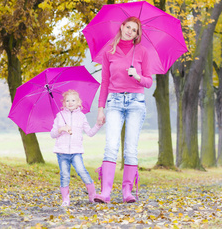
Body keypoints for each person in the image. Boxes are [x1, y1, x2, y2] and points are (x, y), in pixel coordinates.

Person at [94, 16, 153, 204]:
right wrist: (100, 109)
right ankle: (105, 192)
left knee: (130, 149)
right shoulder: (109, 52)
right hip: (114, 101)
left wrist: (137, 76)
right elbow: (104, 82)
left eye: (134, 30)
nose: (130, 31)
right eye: (128, 27)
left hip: (136, 102)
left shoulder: (142, 52)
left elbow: (149, 82)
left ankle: (127, 191)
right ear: (122, 27)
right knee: (111, 146)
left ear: (137, 34)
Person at [50, 89, 102, 206]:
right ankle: (66, 199)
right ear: (63, 103)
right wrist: (62, 129)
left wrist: (98, 125)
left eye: (73, 100)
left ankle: (92, 195)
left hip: (76, 152)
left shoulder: (81, 117)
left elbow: (89, 132)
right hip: (62, 152)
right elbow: (53, 134)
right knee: (65, 175)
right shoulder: (59, 116)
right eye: (67, 100)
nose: (70, 102)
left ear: (79, 102)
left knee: (82, 171)